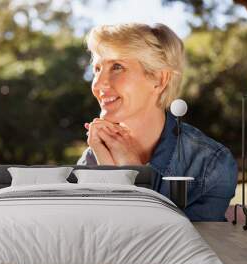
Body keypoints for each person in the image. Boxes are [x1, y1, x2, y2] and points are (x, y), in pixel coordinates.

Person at [76, 23, 238, 221]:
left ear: (159, 80)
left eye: (117, 67)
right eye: (97, 69)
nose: (98, 83)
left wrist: (131, 173)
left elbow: (183, 247)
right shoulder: (93, 156)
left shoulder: (210, 164)